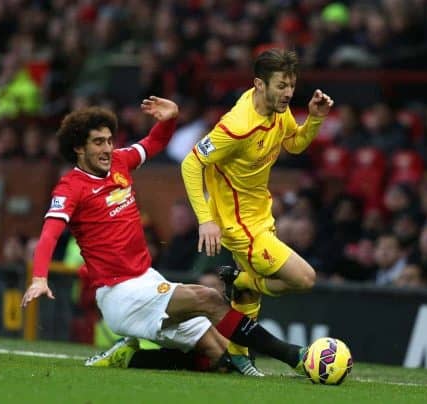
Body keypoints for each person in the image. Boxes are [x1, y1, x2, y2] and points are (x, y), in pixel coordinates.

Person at [21, 97, 306, 377]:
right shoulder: (70, 187)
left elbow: (153, 143)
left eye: (109, 140)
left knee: (219, 358)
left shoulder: (120, 161)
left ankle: (131, 358)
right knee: (208, 298)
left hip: (148, 279)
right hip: (120, 293)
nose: (108, 148)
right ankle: (293, 356)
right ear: (78, 148)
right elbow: (49, 234)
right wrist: (39, 278)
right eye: (98, 142)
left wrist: (170, 120)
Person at [180, 48, 333, 365]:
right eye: (281, 85)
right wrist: (206, 220)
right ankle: (239, 279)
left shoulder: (278, 109)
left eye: (291, 85)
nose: (288, 93)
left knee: (248, 298)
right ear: (259, 85)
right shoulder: (237, 126)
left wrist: (314, 118)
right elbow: (191, 164)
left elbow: (293, 143)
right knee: (304, 278)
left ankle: (238, 357)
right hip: (239, 225)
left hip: (260, 212)